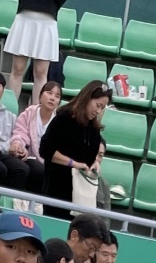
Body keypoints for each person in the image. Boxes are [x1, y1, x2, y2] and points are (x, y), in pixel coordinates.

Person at [40, 80, 108, 209]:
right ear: (88, 98)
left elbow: (90, 154)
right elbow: (45, 149)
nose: (99, 111)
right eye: (98, 105)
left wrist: (94, 163)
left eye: (102, 108)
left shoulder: (94, 127)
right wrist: (74, 163)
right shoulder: (64, 118)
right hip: (57, 188)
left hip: (80, 193)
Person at [11, 75, 62, 165]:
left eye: (57, 96)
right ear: (40, 96)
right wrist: (18, 144)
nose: (52, 98)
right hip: (28, 159)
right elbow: (20, 133)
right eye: (49, 93)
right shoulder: (28, 114)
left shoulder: (60, 122)